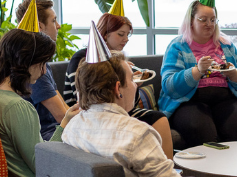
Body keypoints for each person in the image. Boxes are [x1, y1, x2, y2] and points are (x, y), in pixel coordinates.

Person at [63, 51, 237, 177]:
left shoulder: (73, 127)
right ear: (118, 89)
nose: (136, 85)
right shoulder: (136, 133)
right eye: (132, 79)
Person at [0, 29, 80, 177]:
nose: (42, 72)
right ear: (25, 62)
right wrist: (65, 124)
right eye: (41, 64)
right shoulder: (17, 106)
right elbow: (41, 163)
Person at [63, 12, 175, 159]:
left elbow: (126, 103)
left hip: (115, 106)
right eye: (121, 34)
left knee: (159, 118)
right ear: (105, 34)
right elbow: (83, 95)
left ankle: (167, 164)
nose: (126, 39)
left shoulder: (118, 61)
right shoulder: (83, 59)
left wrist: (132, 84)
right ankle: (167, 166)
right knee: (158, 119)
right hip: (87, 110)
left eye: (128, 35)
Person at [159, 0, 237, 147]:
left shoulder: (225, 44)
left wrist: (233, 73)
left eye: (212, 20)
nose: (209, 24)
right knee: (201, 130)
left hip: (224, 99)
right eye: (203, 20)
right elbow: (169, 86)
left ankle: (236, 171)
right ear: (191, 20)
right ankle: (208, 172)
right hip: (189, 101)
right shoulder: (178, 46)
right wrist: (197, 71)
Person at [14, 0, 68, 141]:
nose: (59, 26)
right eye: (53, 20)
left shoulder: (42, 63)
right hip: (47, 137)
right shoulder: (34, 68)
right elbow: (62, 116)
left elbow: (64, 108)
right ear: (39, 26)